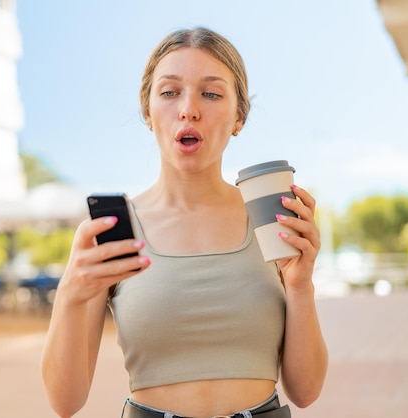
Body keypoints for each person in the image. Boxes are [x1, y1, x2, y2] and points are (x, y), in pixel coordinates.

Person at [41, 26, 327, 418]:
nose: (189, 109)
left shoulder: (271, 220)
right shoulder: (111, 232)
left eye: (210, 93)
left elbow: (306, 391)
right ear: (147, 112)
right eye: (169, 92)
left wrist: (299, 286)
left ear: (239, 116)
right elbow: (64, 401)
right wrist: (71, 293)